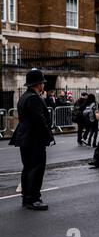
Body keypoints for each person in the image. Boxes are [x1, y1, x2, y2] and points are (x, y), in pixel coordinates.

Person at [9, 69, 54, 211]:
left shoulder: (24, 96)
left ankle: (26, 196)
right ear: (38, 84)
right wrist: (49, 137)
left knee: (28, 168)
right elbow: (39, 120)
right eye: (42, 83)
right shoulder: (33, 98)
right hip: (34, 139)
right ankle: (34, 199)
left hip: (26, 138)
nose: (43, 86)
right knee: (36, 169)